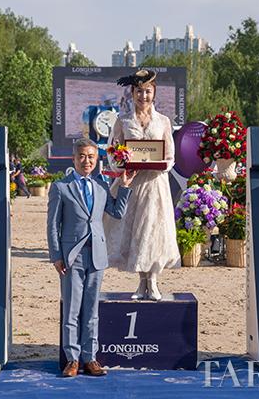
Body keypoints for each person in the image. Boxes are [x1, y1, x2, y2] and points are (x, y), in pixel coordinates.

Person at [47, 138, 135, 377]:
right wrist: (56, 255)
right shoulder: (60, 187)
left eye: (91, 157)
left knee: (91, 310)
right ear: (74, 159)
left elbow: (117, 212)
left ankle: (90, 358)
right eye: (82, 156)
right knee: (72, 310)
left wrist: (124, 187)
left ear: (97, 160)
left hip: (97, 256)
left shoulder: (101, 186)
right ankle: (72, 359)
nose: (87, 161)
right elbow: (53, 225)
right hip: (71, 258)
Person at [104, 69, 181, 301]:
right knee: (135, 231)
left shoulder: (164, 121)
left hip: (155, 184)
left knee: (153, 230)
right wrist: (121, 163)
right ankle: (140, 282)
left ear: (154, 93)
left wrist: (161, 165)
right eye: (139, 91)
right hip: (133, 183)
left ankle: (154, 281)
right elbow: (112, 149)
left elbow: (170, 155)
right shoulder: (123, 120)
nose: (143, 96)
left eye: (147, 91)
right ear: (132, 93)